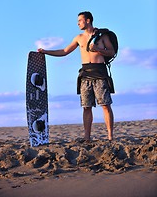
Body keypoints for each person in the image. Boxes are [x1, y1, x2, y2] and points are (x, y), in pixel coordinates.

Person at [38, 11, 115, 141]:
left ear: (88, 20)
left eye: (80, 20)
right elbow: (64, 51)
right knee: (86, 107)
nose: (78, 23)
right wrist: (46, 52)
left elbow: (111, 52)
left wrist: (98, 50)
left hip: (100, 73)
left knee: (105, 105)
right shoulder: (79, 38)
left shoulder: (102, 36)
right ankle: (87, 137)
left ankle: (110, 136)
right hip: (85, 74)